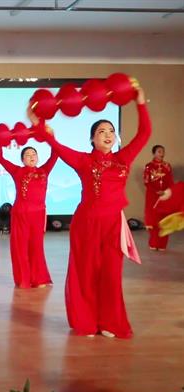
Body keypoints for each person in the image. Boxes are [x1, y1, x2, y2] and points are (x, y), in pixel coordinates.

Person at [30, 82, 149, 338]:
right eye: (101, 131)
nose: (108, 135)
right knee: (86, 273)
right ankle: (86, 321)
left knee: (111, 275)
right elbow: (56, 145)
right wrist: (39, 124)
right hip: (86, 224)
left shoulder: (122, 159)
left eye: (111, 131)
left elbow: (144, 133)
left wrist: (140, 102)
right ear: (92, 138)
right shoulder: (83, 160)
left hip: (113, 225)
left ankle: (109, 322)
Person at [0, 144, 58, 288]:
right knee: (20, 247)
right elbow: (1, 159)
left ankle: (39, 279)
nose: (31, 156)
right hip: (21, 214)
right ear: (22, 160)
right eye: (28, 155)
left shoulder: (44, 171)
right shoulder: (17, 171)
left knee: (36, 247)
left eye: (34, 154)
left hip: (38, 214)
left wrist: (51, 139)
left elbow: (55, 155)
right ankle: (23, 279)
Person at [143, 145, 173, 250]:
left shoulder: (167, 166)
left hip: (165, 196)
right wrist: (156, 191)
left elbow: (170, 181)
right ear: (154, 153)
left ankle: (162, 244)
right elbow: (147, 182)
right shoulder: (149, 166)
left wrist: (166, 191)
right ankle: (153, 243)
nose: (162, 154)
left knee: (164, 220)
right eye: (159, 151)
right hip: (152, 196)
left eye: (163, 151)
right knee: (153, 220)